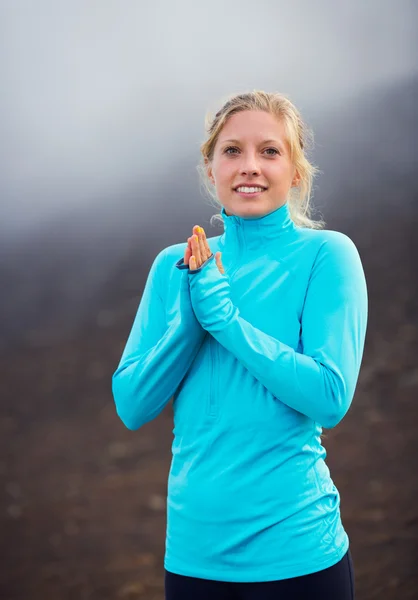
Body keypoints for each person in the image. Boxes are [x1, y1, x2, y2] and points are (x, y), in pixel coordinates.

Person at [112, 90, 368, 600]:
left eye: (270, 151)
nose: (249, 166)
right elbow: (132, 405)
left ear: (295, 170)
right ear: (210, 168)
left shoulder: (326, 255)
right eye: (232, 151)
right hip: (192, 560)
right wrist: (188, 323)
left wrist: (225, 321)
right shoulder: (176, 266)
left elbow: (329, 397)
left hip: (298, 556)